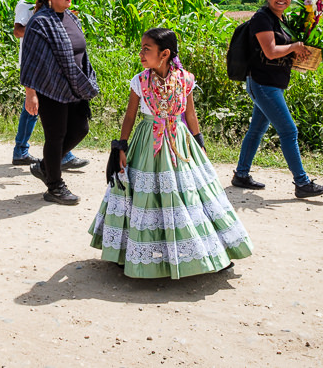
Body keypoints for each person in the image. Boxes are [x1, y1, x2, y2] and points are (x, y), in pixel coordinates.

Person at [89, 28, 252, 278]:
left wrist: (199, 143)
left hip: (180, 143)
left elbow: (191, 114)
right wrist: (120, 147)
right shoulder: (139, 81)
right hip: (147, 143)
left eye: (147, 49)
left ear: (164, 54)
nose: (141, 53)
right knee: (144, 198)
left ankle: (212, 250)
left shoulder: (185, 79)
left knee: (189, 197)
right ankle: (129, 252)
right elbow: (131, 115)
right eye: (141, 48)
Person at [231, 0, 323, 199]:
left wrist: (298, 52)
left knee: (257, 130)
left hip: (271, 82)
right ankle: (302, 183)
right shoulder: (262, 19)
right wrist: (294, 46)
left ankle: (241, 174)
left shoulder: (280, 20)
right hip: (263, 84)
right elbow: (271, 51)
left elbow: (282, 50)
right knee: (289, 131)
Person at [20, 0, 99, 205]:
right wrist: (31, 93)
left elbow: (80, 53)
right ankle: (54, 186)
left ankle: (45, 166)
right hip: (50, 88)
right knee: (56, 137)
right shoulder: (40, 22)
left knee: (81, 128)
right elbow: (30, 61)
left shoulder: (71, 18)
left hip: (74, 86)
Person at [12, 0, 89, 170]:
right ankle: (24, 151)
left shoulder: (62, 13)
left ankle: (57, 156)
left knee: (58, 120)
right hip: (36, 64)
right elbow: (18, 30)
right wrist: (46, 31)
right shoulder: (27, 5)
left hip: (57, 66)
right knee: (35, 110)